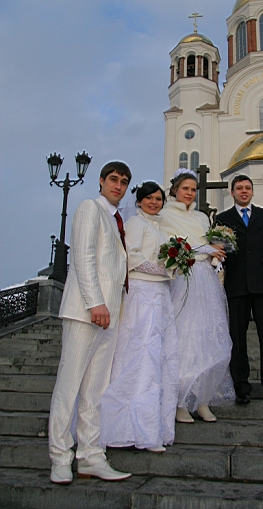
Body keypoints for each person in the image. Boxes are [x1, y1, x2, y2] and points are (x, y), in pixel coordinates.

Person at [48, 161, 133, 484]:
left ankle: (90, 455)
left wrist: (111, 308)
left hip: (110, 316)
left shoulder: (116, 220)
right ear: (101, 181)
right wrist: (95, 302)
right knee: (69, 387)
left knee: (95, 391)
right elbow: (82, 257)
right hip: (86, 312)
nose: (118, 186)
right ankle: (59, 457)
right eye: (113, 179)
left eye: (124, 182)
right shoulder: (89, 208)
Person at [100, 181, 179, 453]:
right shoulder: (135, 223)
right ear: (139, 201)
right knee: (141, 354)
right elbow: (130, 255)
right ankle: (127, 427)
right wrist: (160, 269)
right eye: (149, 198)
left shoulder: (160, 228)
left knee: (158, 357)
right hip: (142, 292)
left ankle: (151, 428)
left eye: (158, 199)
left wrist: (175, 265)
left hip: (160, 294)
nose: (154, 202)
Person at [159, 169, 235, 423]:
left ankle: (202, 399)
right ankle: (180, 401)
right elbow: (172, 246)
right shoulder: (166, 214)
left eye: (193, 189)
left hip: (206, 279)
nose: (190, 193)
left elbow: (207, 244)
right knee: (185, 337)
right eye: (185, 189)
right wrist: (206, 248)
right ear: (175, 190)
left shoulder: (202, 217)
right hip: (184, 277)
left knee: (207, 336)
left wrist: (216, 253)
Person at [217, 175, 263, 405]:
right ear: (232, 192)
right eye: (239, 188)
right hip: (236, 285)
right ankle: (241, 386)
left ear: (253, 191)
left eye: (247, 188)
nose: (244, 191)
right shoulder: (222, 219)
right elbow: (220, 252)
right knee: (237, 338)